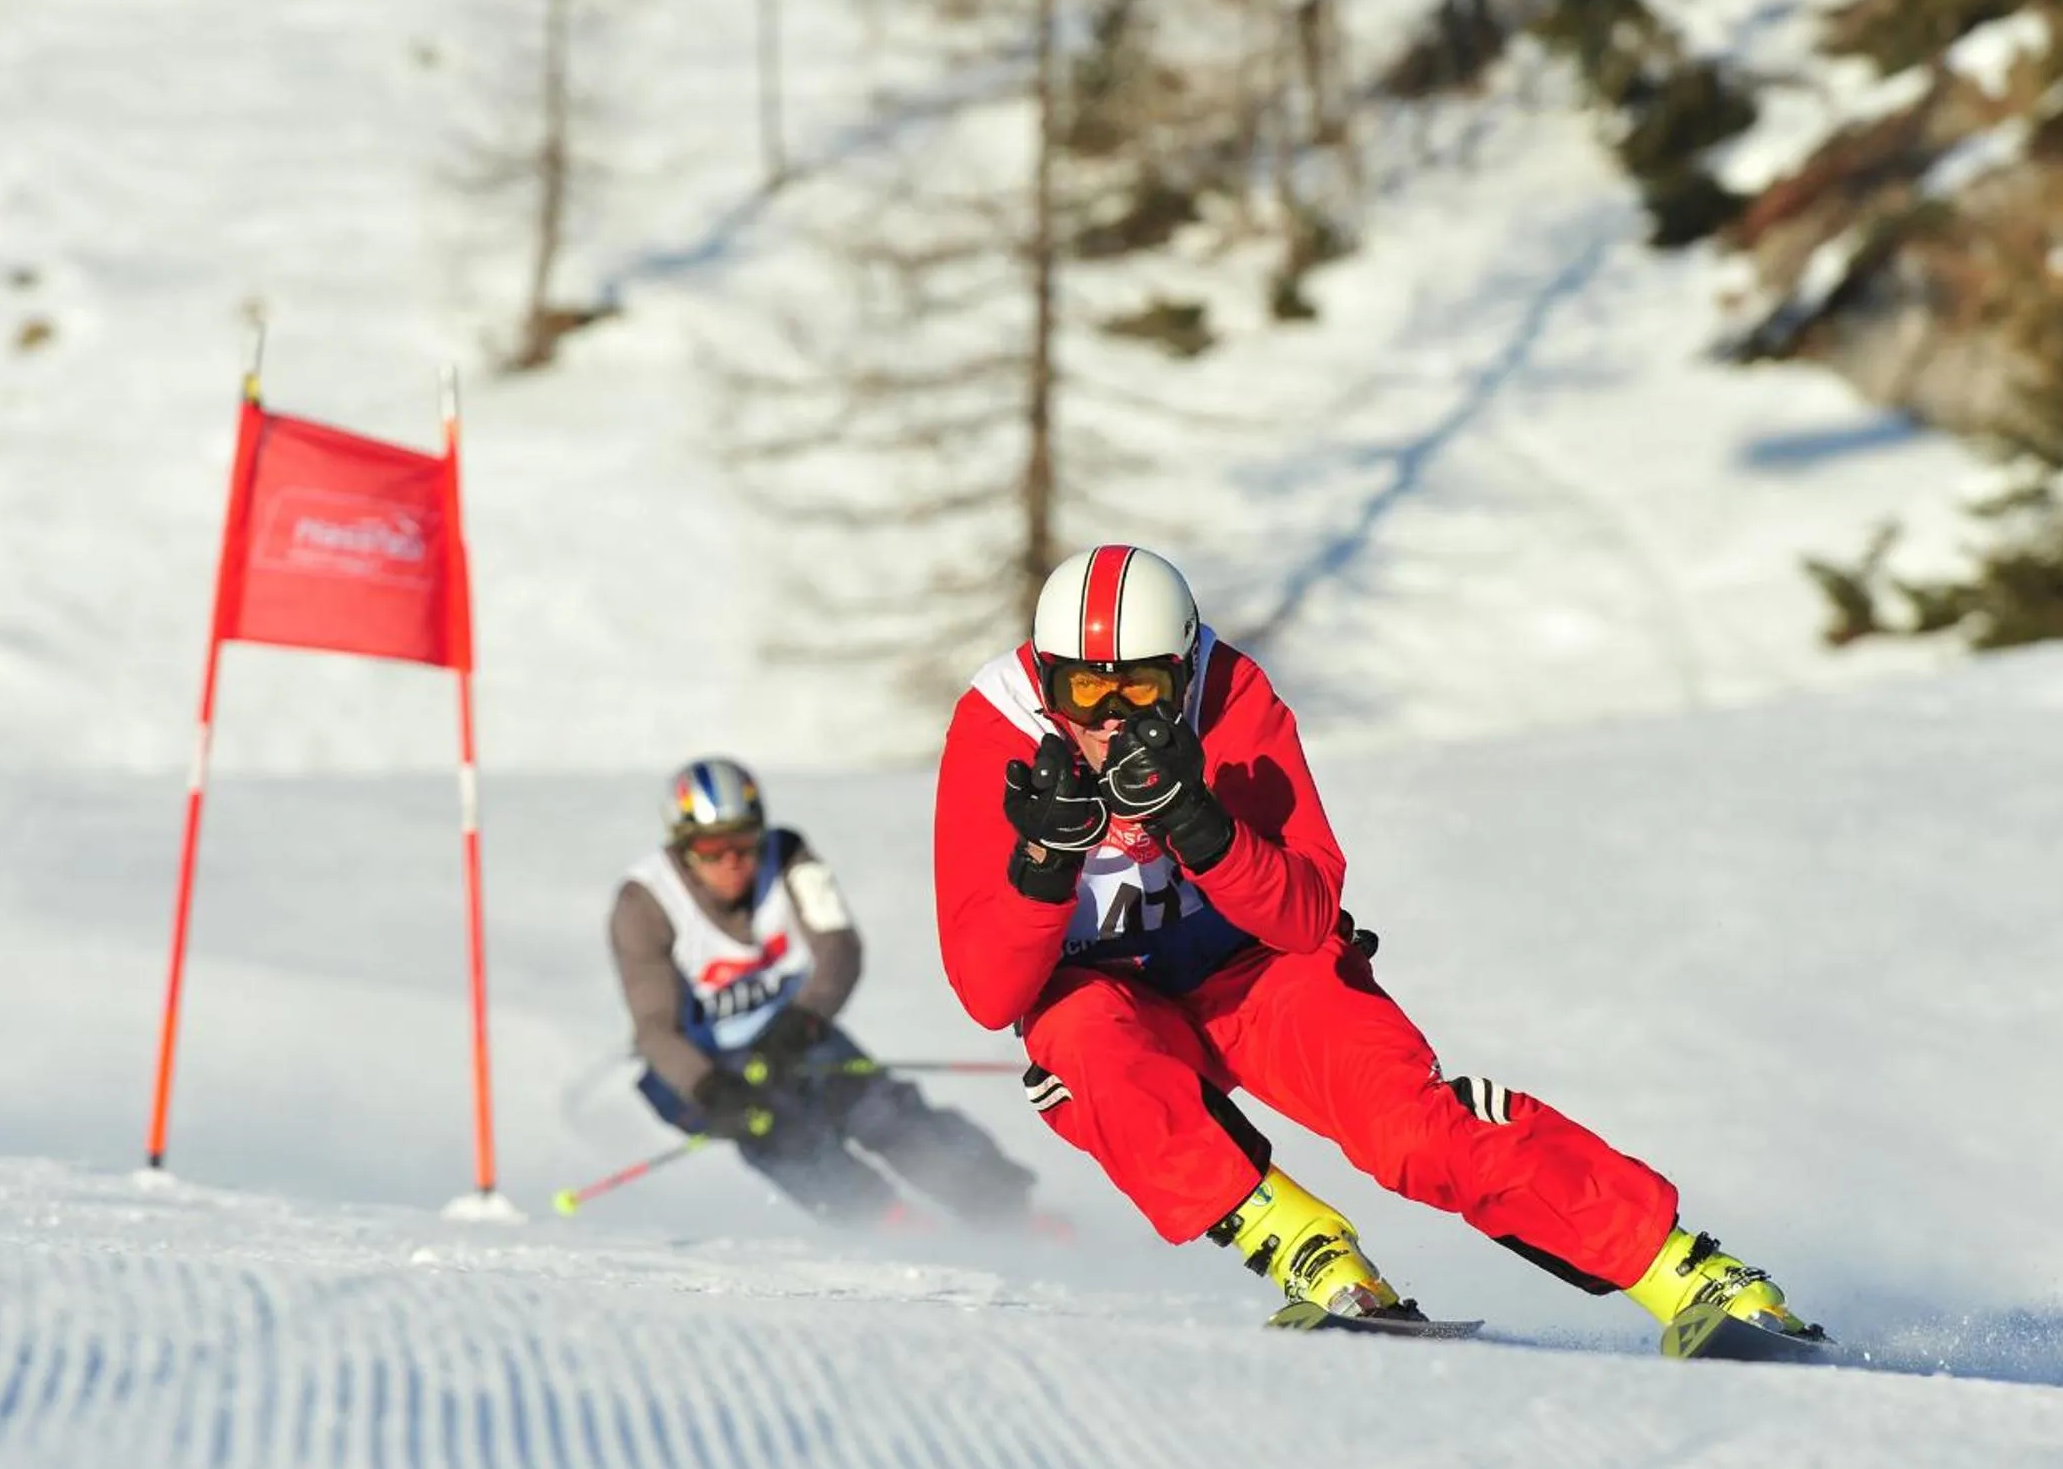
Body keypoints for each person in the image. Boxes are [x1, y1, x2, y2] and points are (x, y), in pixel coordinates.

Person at [931, 543, 1821, 1339]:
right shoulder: (998, 726)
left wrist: (1198, 823)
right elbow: (991, 995)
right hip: (1116, 1000)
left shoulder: (1231, 694)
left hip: (1255, 973)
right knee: (1080, 1050)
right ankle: (1300, 1243)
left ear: (1183, 666)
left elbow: (1306, 912)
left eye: (1142, 689)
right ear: (1047, 677)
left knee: (1409, 1131)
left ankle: (1681, 1266)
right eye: (1084, 688)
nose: (1111, 717)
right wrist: (1045, 864)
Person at [611, 756, 1041, 1230]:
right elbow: (654, 1031)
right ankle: (883, 1222)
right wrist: (709, 1089)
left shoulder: (789, 856)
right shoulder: (644, 902)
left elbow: (840, 950)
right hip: (697, 1060)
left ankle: (1005, 1208)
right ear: (684, 847)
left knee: (880, 1107)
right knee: (778, 1131)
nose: (733, 862)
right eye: (713, 848)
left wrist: (806, 1019)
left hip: (789, 1025)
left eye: (745, 842)